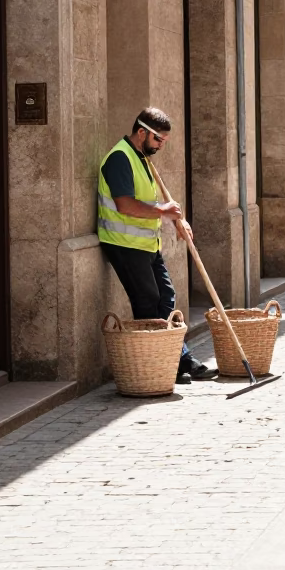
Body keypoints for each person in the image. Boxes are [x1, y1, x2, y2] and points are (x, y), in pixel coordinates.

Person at [98, 107, 217, 383]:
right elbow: (125, 204)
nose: (161, 146)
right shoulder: (119, 158)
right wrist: (164, 211)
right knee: (148, 302)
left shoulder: (142, 158)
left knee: (166, 297)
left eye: (164, 141)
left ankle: (176, 360)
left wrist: (176, 219)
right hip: (124, 244)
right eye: (158, 140)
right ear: (142, 133)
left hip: (146, 244)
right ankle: (168, 365)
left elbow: (152, 203)